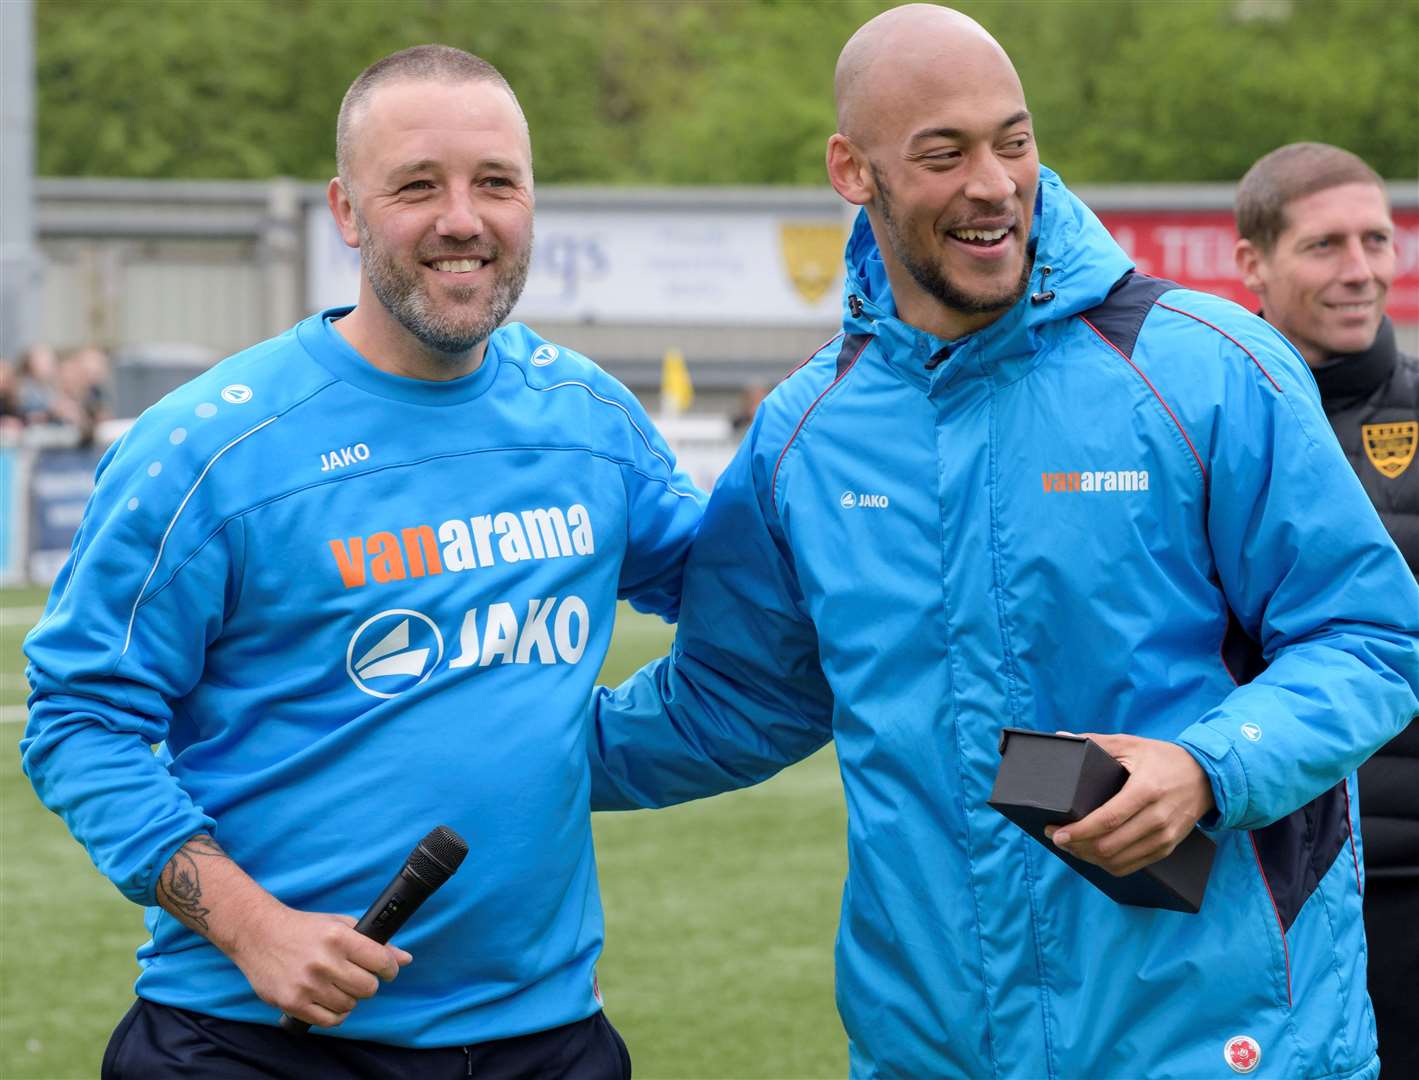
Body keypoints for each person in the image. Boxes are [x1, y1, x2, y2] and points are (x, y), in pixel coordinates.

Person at [588, 7, 1419, 1078]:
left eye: (1013, 142)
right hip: (929, 1049)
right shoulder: (804, 435)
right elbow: (733, 702)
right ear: (853, 168)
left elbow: (1371, 638)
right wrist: (492, 746)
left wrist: (1208, 768)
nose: (993, 183)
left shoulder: (1205, 368)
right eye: (944, 153)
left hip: (1220, 1043)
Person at [22, 45, 703, 1079]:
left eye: (496, 184)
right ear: (347, 211)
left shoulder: (588, 421)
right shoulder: (210, 448)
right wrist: (255, 929)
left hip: (544, 1039)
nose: (463, 218)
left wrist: (593, 747)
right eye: (418, 186)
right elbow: (79, 720)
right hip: (248, 1045)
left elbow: (745, 613)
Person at [1235, 142, 1418, 1077]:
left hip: (1406, 896)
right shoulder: (1198, 428)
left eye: (1376, 240)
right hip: (1257, 888)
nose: (1360, 270)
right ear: (1251, 264)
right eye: (1324, 246)